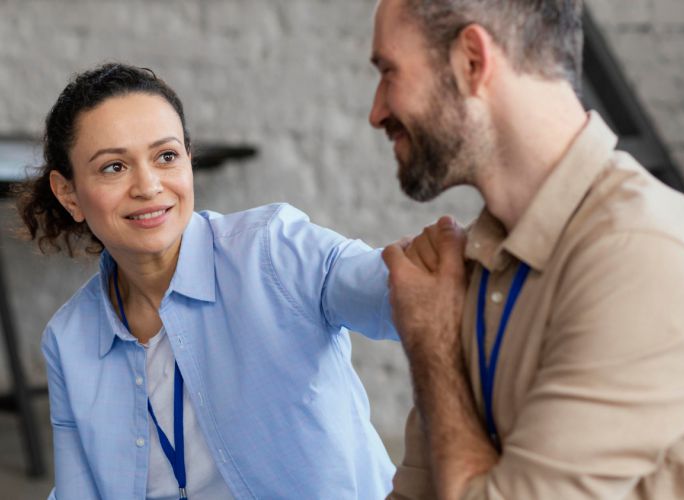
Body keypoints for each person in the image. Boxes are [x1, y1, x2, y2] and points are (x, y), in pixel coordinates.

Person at [15, 63, 399, 500]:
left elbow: (386, 286)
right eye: (114, 167)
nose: (148, 186)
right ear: (69, 194)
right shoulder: (69, 340)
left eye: (166, 156)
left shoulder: (272, 252)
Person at [368, 0, 684, 499]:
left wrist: (432, 346)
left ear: (471, 61)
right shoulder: (468, 266)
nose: (376, 113)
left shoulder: (641, 256)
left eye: (389, 71)